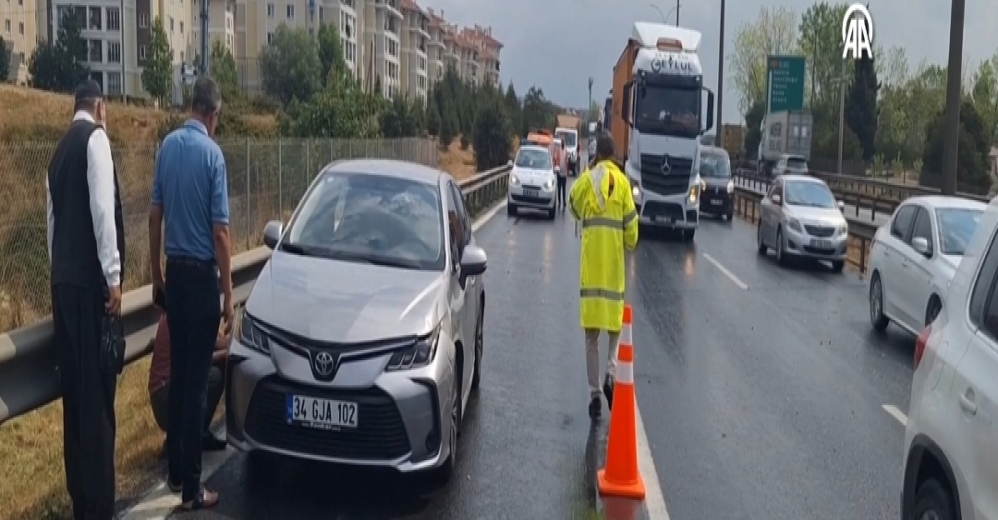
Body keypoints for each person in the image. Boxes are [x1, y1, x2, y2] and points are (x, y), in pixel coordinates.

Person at [148, 76, 232, 510]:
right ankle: (193, 489)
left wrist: (155, 271)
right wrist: (228, 293)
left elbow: (154, 215)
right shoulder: (212, 156)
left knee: (180, 377)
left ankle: (177, 470)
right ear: (213, 113)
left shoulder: (167, 146)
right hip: (201, 279)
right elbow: (220, 232)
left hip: (175, 277)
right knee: (198, 382)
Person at [47, 79, 125, 520]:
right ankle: (98, 506)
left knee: (74, 401)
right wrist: (112, 278)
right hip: (89, 288)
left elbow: (51, 226)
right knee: (97, 402)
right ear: (98, 106)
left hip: (62, 283)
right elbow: (102, 211)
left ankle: (81, 500)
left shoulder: (57, 153)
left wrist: (58, 277)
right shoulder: (96, 140)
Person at [568, 132, 638, 419]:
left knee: (590, 339)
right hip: (613, 276)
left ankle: (595, 394)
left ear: (597, 154)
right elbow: (632, 235)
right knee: (613, 333)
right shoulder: (622, 184)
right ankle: (611, 372)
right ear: (615, 155)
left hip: (591, 278)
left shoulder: (586, 180)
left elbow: (572, 206)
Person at [147, 311, 230, 455]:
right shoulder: (186, 315)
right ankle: (184, 438)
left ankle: (194, 434)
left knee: (215, 370)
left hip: (166, 393)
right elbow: (197, 361)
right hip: (165, 397)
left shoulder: (184, 308)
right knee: (215, 376)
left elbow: (217, 341)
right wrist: (226, 353)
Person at [553, 140, 568, 209]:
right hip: (559, 172)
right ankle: (559, 202)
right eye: (561, 143)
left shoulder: (566, 151)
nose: (562, 144)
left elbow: (567, 161)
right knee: (559, 188)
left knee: (564, 188)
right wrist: (556, 165)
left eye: (563, 143)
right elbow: (555, 158)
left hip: (564, 172)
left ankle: (564, 201)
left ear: (564, 144)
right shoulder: (558, 151)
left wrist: (566, 171)